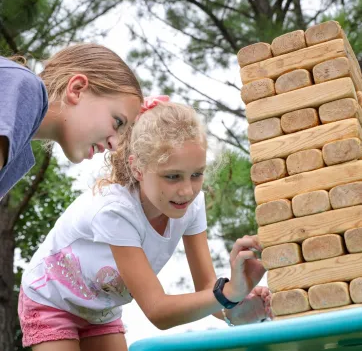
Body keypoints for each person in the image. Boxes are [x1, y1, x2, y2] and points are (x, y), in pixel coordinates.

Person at [19, 97, 271, 351]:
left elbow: (208, 289)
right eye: (172, 176)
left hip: (101, 310)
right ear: (137, 168)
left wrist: (235, 308)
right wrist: (228, 294)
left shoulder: (192, 205)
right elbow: (157, 310)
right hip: (50, 299)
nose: (186, 190)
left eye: (196, 174)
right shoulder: (115, 211)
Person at [0, 43, 143, 200]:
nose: (115, 146)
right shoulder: (25, 86)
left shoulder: (20, 155)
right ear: (77, 89)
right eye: (118, 122)